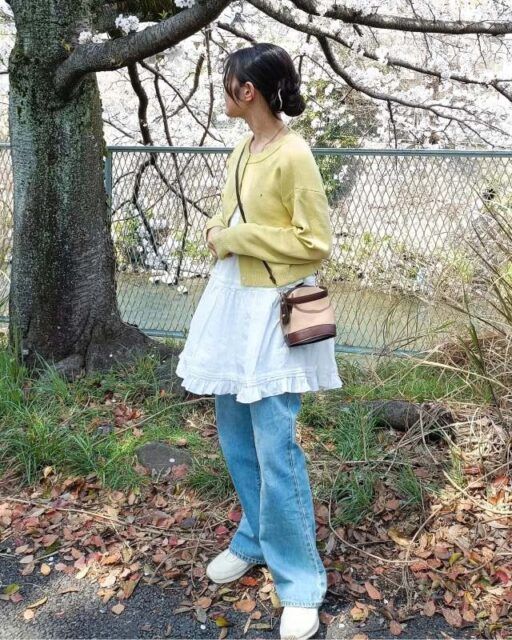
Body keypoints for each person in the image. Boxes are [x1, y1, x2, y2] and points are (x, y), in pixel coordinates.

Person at [175, 43, 343, 640]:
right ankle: (253, 537)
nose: (221, 91)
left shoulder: (295, 154)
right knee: (236, 435)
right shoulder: (243, 149)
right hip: (232, 304)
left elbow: (314, 241)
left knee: (276, 445)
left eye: (227, 82)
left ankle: (300, 582)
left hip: (274, 310)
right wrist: (219, 234)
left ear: (248, 90)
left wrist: (238, 236)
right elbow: (227, 223)